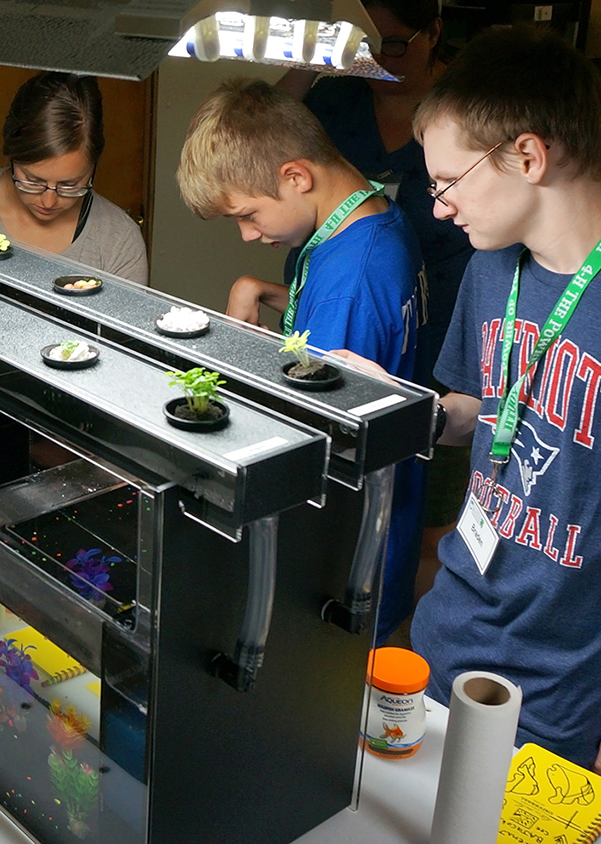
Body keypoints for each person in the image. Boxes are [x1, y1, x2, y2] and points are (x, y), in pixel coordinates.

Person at [333, 27, 601, 784]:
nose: (439, 209)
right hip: (445, 645)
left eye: (448, 183)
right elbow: (496, 410)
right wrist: (411, 409)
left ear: (529, 157)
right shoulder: (492, 267)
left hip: (574, 700)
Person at [177, 77, 425, 641]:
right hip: (387, 525)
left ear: (295, 177)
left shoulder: (350, 285)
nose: (245, 234)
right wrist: (261, 288)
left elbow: (320, 440)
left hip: (343, 558)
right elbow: (347, 315)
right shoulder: (375, 218)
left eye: (247, 215)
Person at [279, 0, 475, 630]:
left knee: (420, 527)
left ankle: (398, 652)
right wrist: (312, 58)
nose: (376, 62)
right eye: (362, 46)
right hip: (336, 323)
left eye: (392, 45)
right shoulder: (335, 105)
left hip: (437, 350)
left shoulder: (463, 120)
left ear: (434, 31)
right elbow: (266, 130)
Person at [0, 72, 148, 284]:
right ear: (12, 154)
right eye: (32, 181)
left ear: (94, 167)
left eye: (70, 185)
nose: (49, 201)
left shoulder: (119, 240)